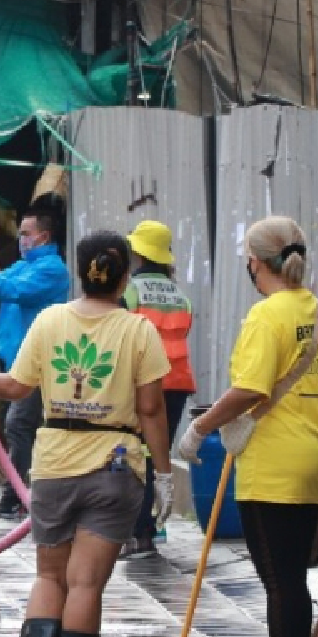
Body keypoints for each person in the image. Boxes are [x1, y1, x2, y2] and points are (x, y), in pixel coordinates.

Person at [0, 232, 171, 637]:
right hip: (114, 464)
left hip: (54, 461)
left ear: (79, 271)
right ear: (124, 276)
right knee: (85, 585)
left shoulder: (50, 320)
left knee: (49, 577)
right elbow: (151, 408)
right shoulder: (139, 331)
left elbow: (14, 387)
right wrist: (163, 473)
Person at [182, 217, 318, 637]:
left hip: (276, 464)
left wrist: (202, 427)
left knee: (281, 581)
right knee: (291, 576)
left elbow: (251, 387)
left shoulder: (266, 316)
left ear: (255, 262)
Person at [0, 206, 71, 518]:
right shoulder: (23, 265)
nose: (21, 239)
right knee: (21, 427)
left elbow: (6, 289)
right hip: (14, 359)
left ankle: (15, 495)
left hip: (35, 362)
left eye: (25, 233)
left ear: (43, 236)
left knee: (19, 424)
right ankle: (24, 491)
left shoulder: (51, 270)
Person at [122, 220, 195, 558]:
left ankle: (139, 533)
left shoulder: (130, 290)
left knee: (136, 455)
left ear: (137, 253)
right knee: (158, 454)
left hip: (143, 382)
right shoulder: (180, 294)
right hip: (177, 383)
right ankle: (153, 526)